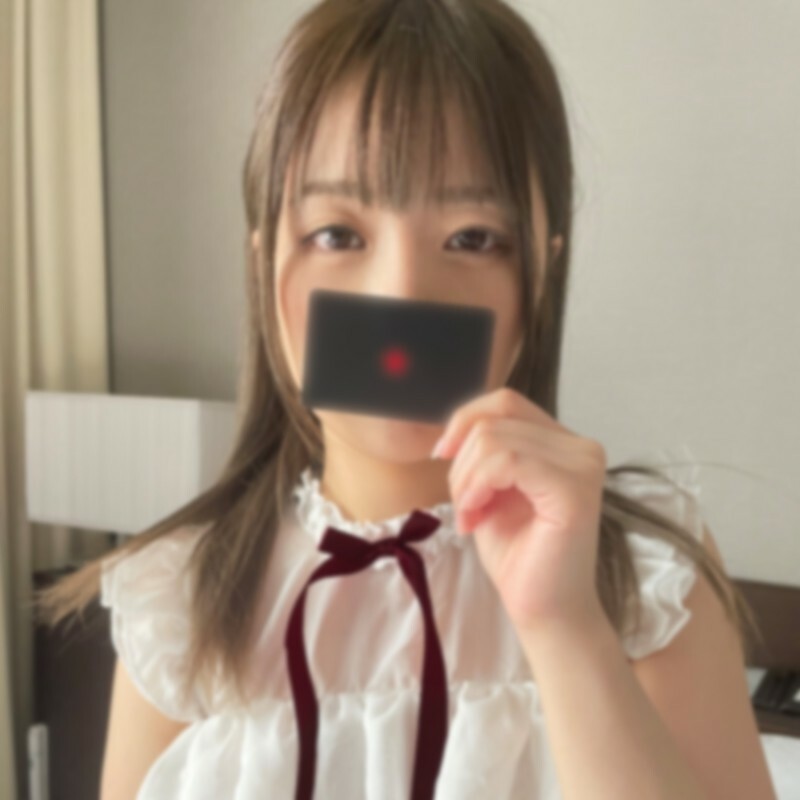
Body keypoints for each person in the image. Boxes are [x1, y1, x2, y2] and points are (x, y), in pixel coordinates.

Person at [35, 0, 775, 798]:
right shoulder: (180, 605)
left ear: (539, 278)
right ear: (262, 265)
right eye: (337, 235)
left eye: (472, 238)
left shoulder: (645, 582)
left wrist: (564, 627)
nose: (401, 292)